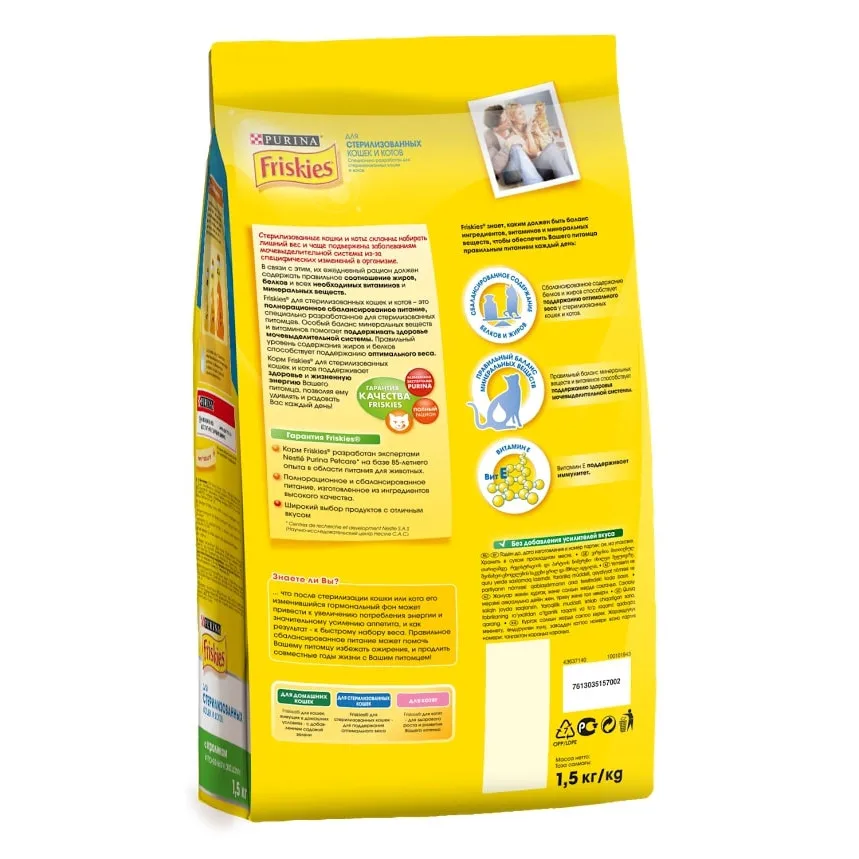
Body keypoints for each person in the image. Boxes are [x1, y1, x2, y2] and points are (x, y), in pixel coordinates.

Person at [506, 102, 573, 181]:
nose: (524, 115)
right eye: (520, 113)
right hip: (536, 168)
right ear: (512, 118)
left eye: (523, 112)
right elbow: (533, 154)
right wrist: (528, 133)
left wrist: (539, 133)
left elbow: (548, 143)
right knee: (551, 149)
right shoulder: (513, 137)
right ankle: (568, 181)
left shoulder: (529, 126)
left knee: (566, 152)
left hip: (544, 160)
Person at [483, 105, 543, 186]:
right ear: (495, 128)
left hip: (522, 166)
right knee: (515, 147)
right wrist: (507, 145)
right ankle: (536, 183)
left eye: (507, 117)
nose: (509, 121)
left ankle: (536, 182)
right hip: (506, 174)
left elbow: (532, 154)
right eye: (505, 121)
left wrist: (529, 132)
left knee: (516, 147)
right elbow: (494, 169)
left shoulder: (512, 130)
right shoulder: (488, 139)